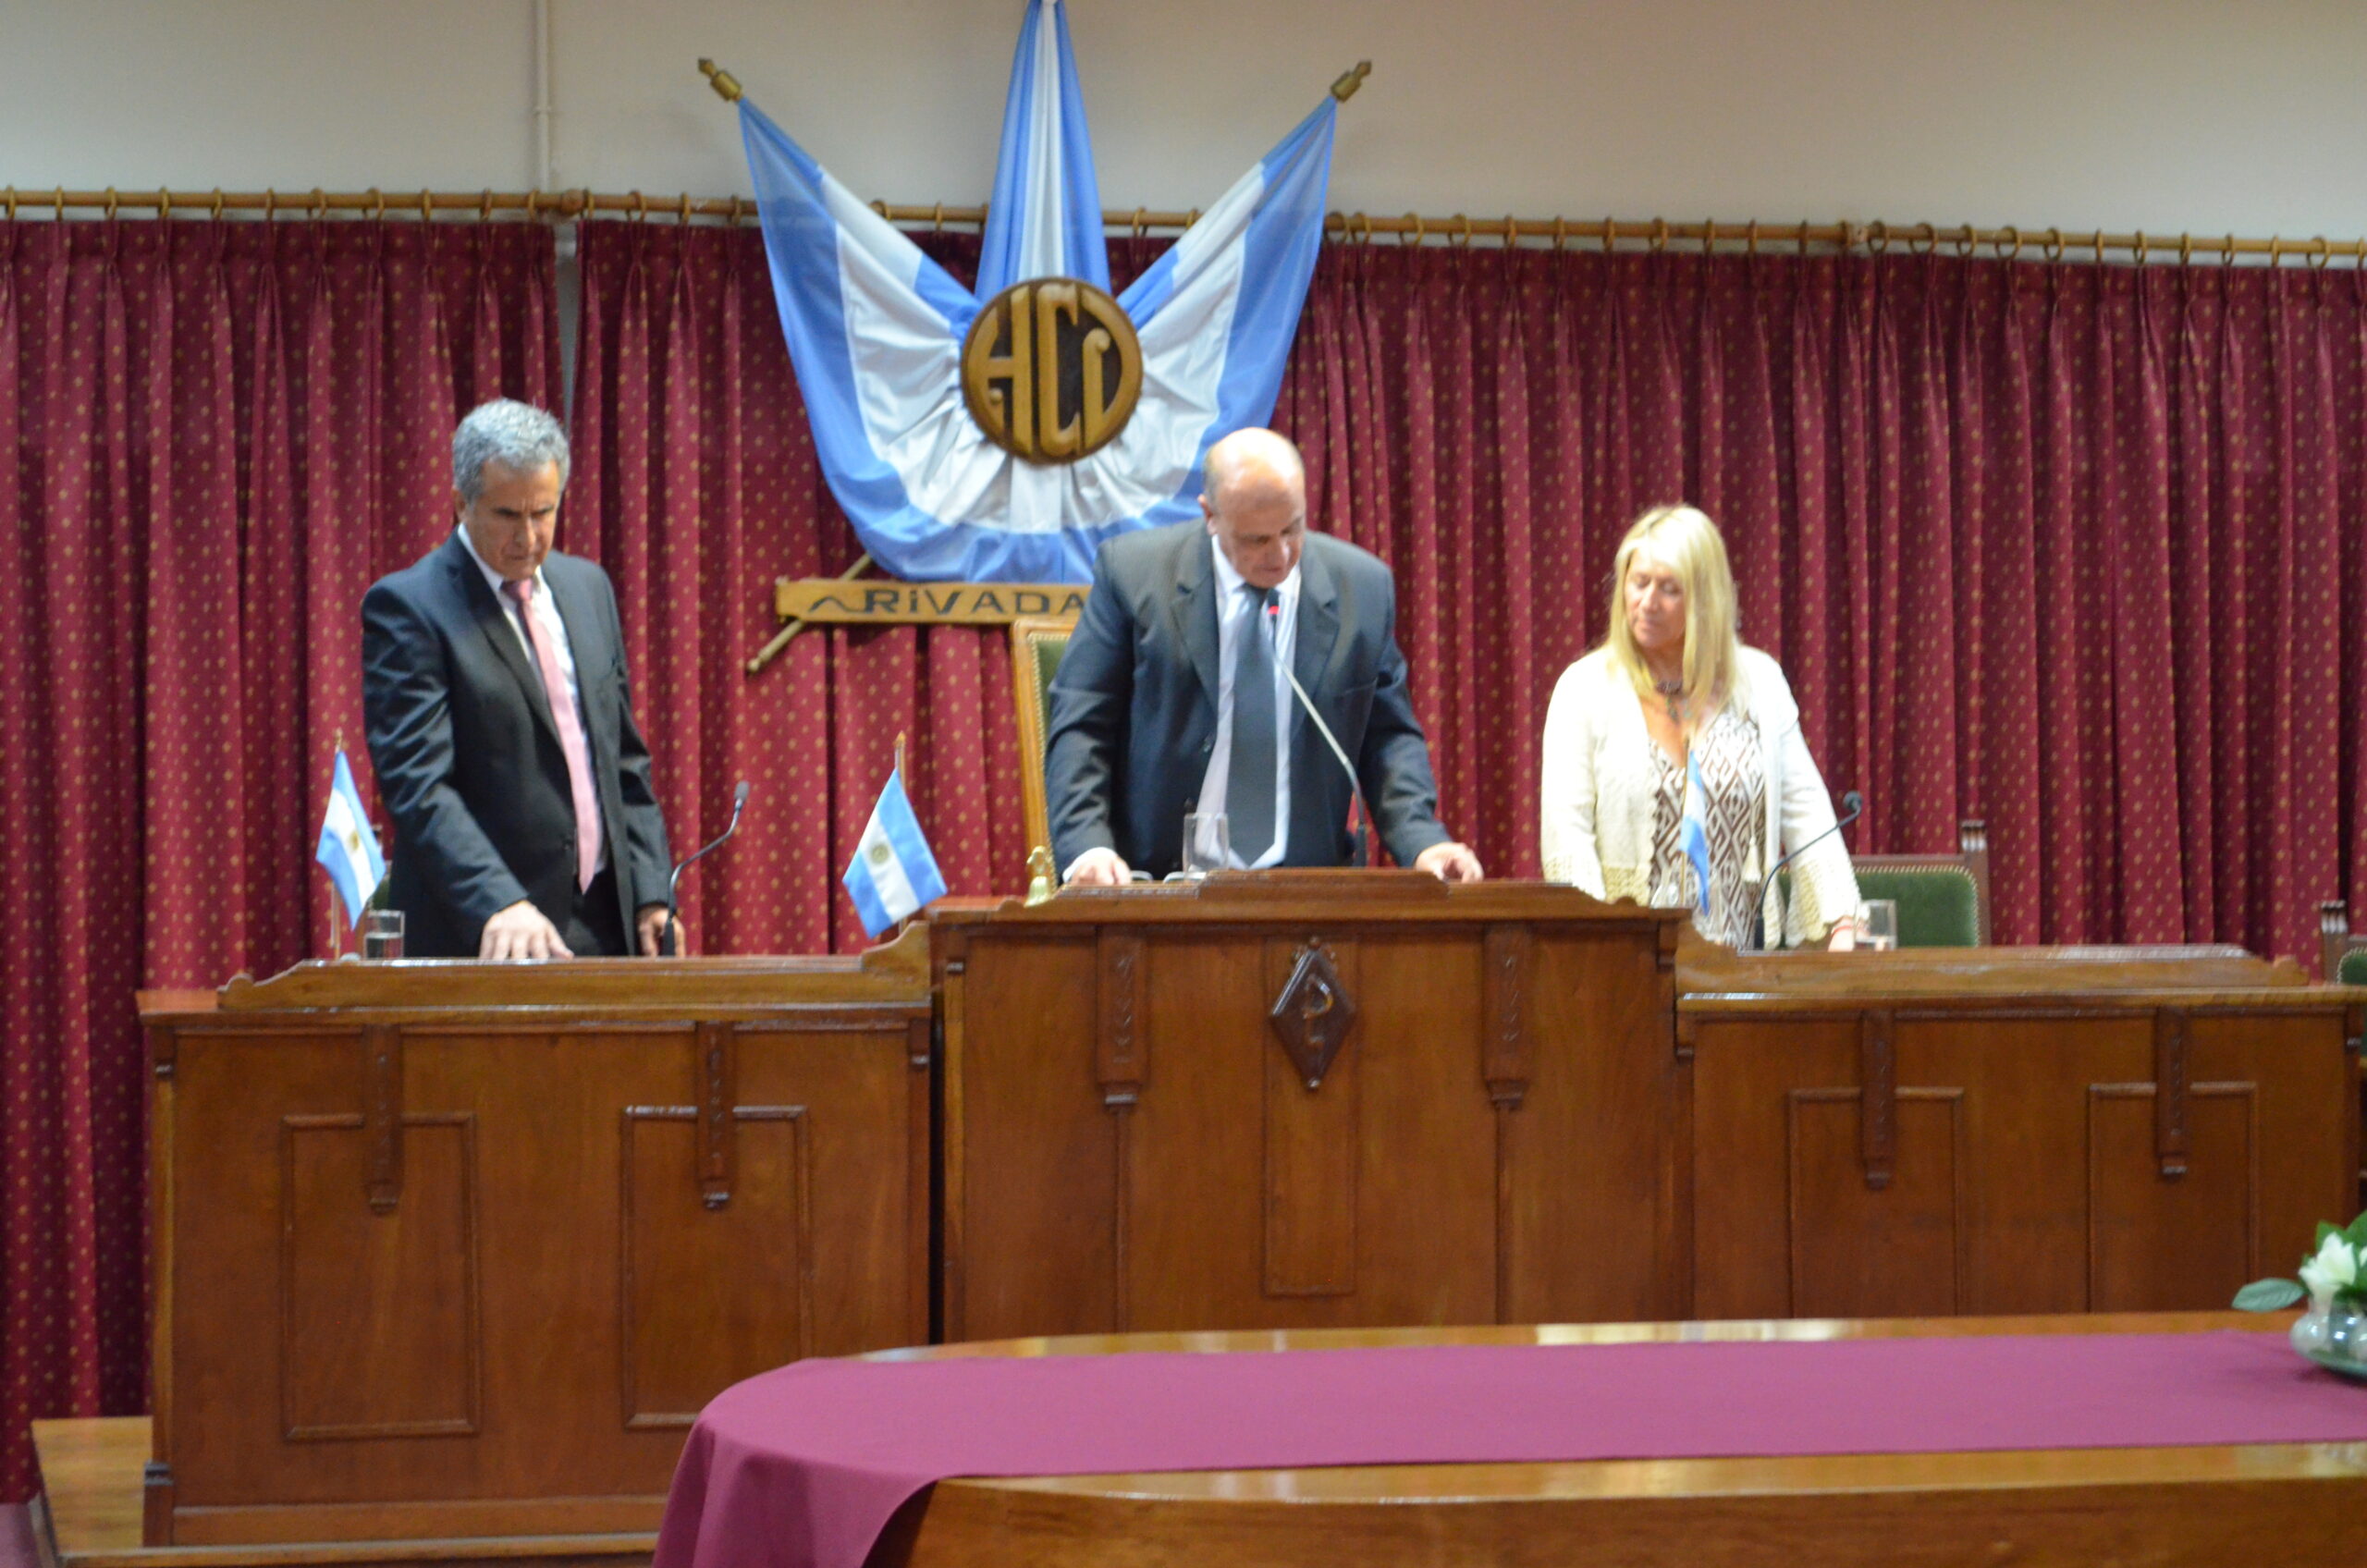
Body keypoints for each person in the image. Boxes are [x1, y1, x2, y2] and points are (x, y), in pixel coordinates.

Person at [1045, 427, 1482, 885]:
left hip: (1305, 888)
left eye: (1292, 528)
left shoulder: (1363, 589)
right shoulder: (1135, 575)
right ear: (1210, 516)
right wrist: (1088, 847)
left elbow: (1388, 738)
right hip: (1156, 882)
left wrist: (1422, 840)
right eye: (1256, 540)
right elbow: (1082, 724)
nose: (1280, 555)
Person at [362, 399, 676, 959]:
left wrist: (651, 890)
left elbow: (622, 760)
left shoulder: (588, 589)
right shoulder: (410, 607)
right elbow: (418, 785)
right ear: (461, 503)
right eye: (508, 515)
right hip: (487, 930)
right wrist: (498, 900)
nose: (529, 537)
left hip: (609, 926)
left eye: (544, 512)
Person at [1539, 505, 1858, 949]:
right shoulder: (1584, 689)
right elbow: (1568, 842)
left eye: (1669, 589)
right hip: (1623, 962)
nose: (1647, 602)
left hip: (1740, 962)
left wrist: (1843, 920)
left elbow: (1808, 813)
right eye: (1639, 582)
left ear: (1706, 599)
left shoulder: (1760, 683)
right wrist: (1599, 947)